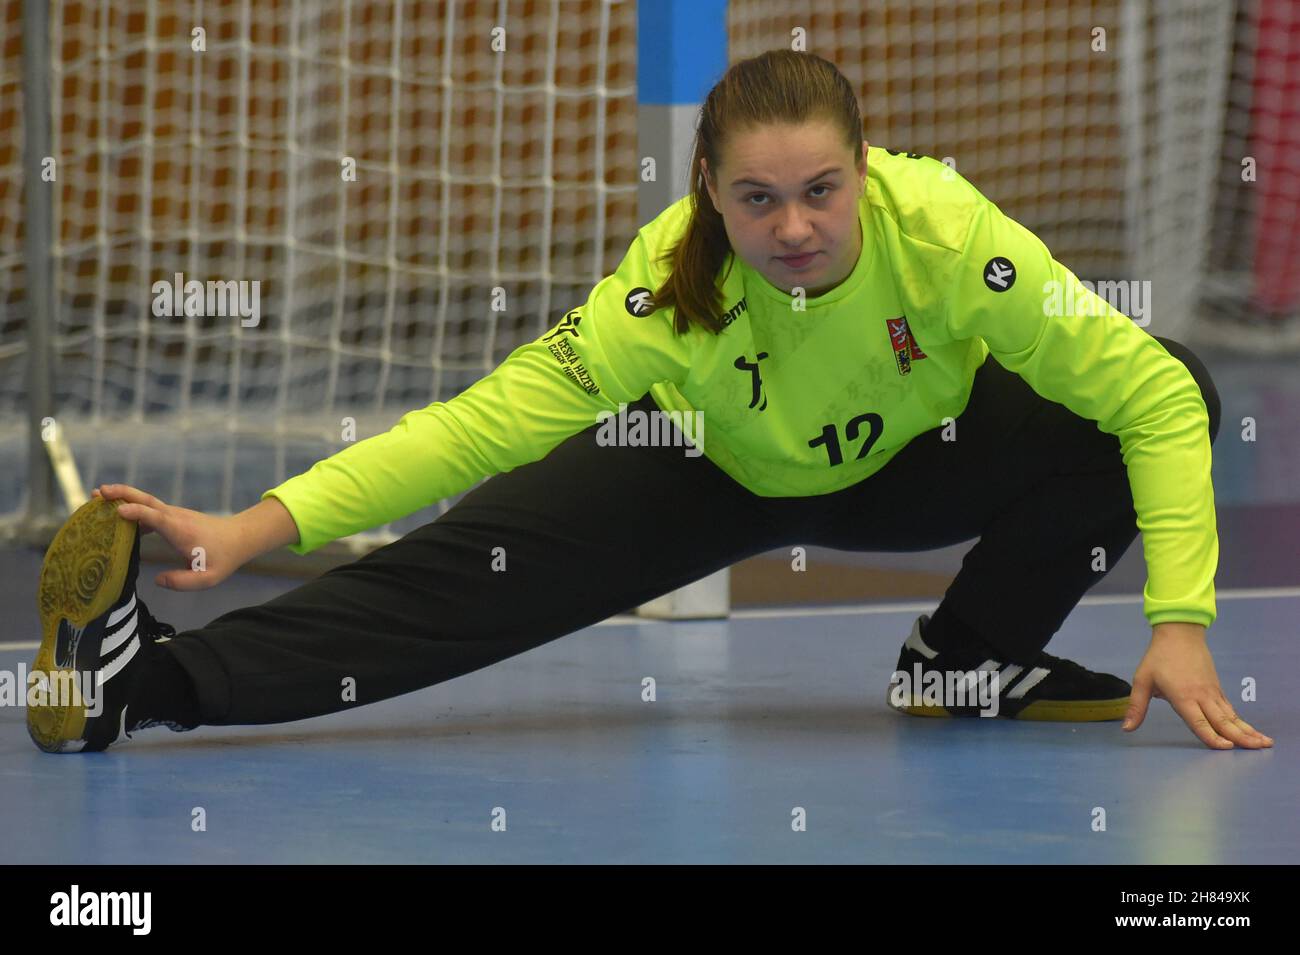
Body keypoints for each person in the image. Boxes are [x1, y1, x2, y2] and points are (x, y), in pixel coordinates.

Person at [27, 49, 1271, 755]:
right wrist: (256, 528)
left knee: (1176, 383)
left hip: (925, 455)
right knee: (466, 573)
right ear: (711, 197)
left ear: (866, 171)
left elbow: (1152, 397)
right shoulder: (661, 292)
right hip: (709, 469)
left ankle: (970, 659)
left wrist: (1179, 616)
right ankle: (142, 689)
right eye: (758, 200)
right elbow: (477, 424)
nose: (794, 227)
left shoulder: (947, 234)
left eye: (822, 192)